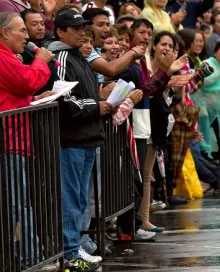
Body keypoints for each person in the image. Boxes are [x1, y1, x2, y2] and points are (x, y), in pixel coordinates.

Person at [47, 9, 111, 271]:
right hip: (71, 139)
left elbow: (85, 96)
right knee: (71, 199)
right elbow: (66, 100)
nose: (82, 32)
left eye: (83, 27)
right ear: (61, 32)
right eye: (75, 28)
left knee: (81, 199)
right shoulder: (61, 56)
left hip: (86, 137)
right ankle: (71, 252)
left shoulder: (78, 56)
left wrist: (102, 104)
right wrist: (98, 106)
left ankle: (77, 248)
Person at [0, 11, 54, 266]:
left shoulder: (8, 56)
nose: (26, 35)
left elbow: (15, 94)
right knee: (19, 204)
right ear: (4, 33)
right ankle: (32, 259)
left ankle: (28, 257)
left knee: (21, 202)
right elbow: (26, 81)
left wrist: (35, 100)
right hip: (9, 141)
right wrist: (41, 60)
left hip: (16, 140)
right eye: (21, 30)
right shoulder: (2, 57)